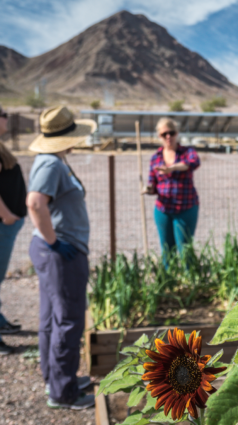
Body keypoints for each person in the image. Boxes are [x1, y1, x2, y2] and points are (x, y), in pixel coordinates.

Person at [26, 106, 96, 410]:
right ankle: (63, 392)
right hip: (60, 252)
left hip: (58, 249)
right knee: (68, 320)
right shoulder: (51, 165)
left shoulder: (55, 161)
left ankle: (55, 378)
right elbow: (35, 203)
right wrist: (54, 242)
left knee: (52, 319)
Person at [144, 118, 200, 265]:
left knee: (185, 249)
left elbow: (193, 163)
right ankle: (169, 281)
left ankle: (191, 281)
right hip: (163, 209)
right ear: (159, 137)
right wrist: (148, 189)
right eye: (164, 134)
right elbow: (153, 184)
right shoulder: (155, 158)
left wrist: (172, 168)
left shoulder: (187, 152)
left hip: (186, 207)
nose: (168, 137)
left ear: (177, 134)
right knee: (167, 250)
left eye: (171, 133)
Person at [0, 107, 26, 355]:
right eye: (3, 115)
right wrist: (7, 215)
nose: (6, 118)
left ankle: (1, 324)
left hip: (8, 223)